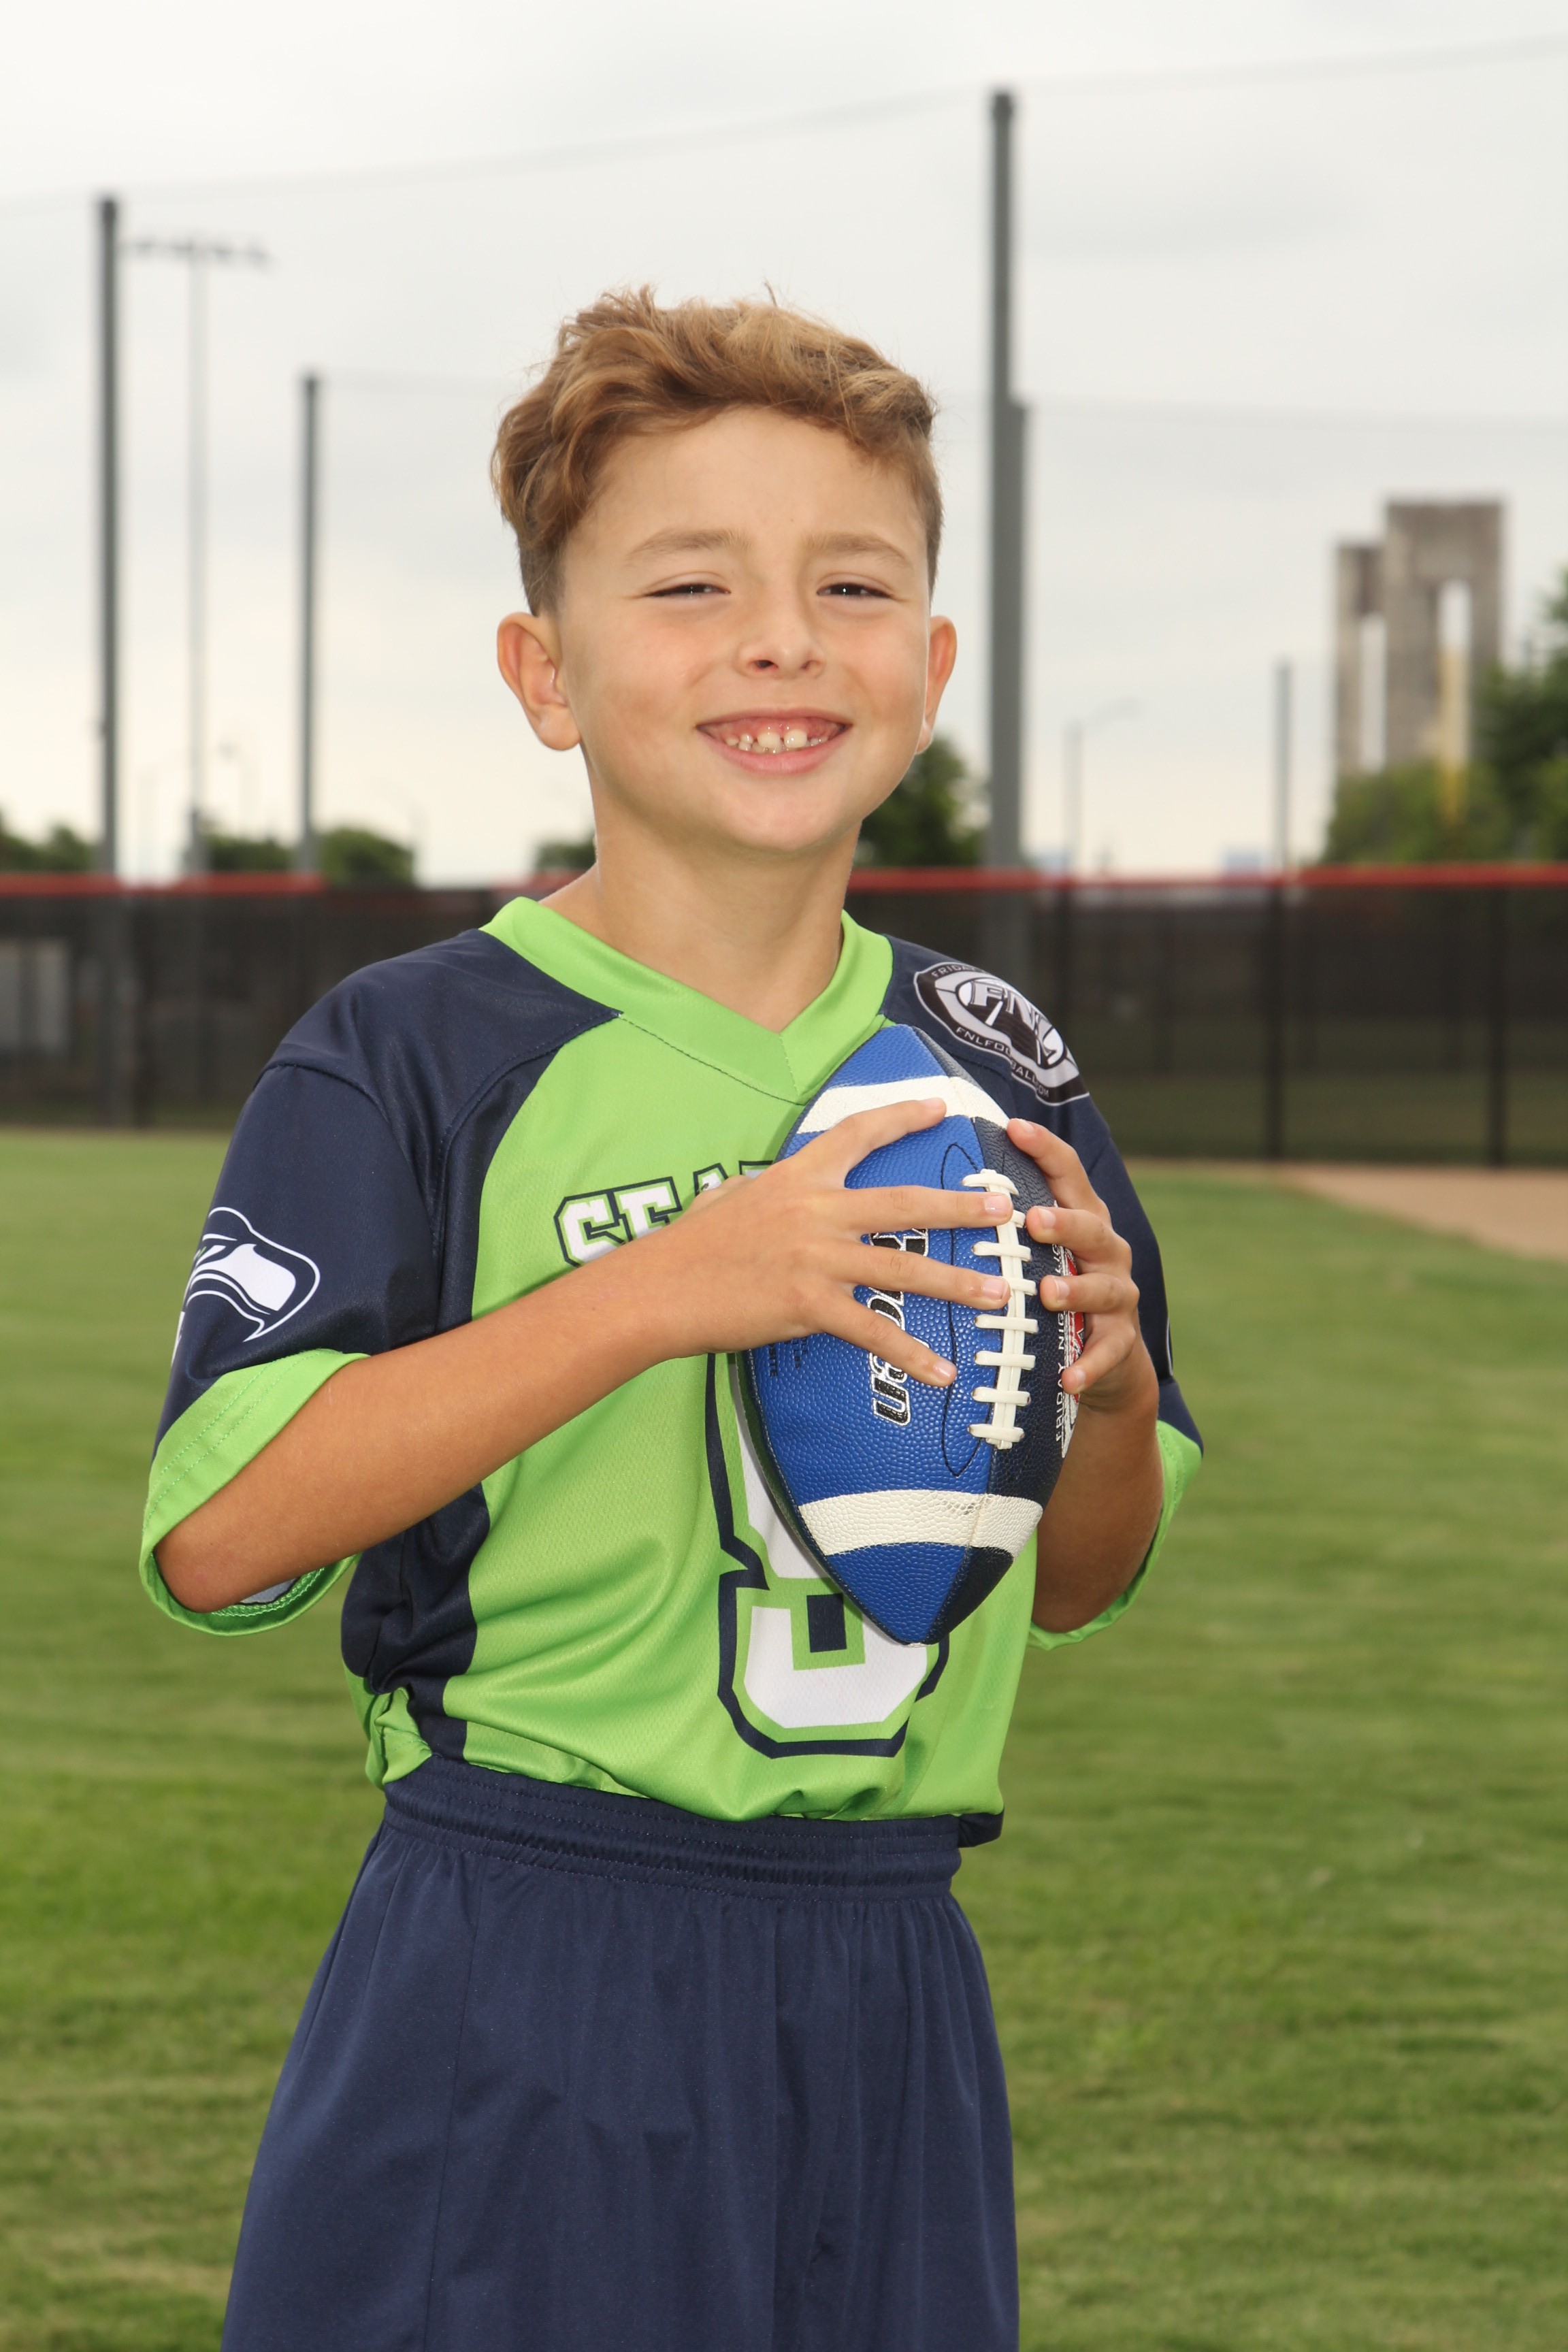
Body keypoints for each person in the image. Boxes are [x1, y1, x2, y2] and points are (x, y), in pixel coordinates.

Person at [141, 289, 1201, 2351]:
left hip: (892, 1972)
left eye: (854, 585)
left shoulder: (999, 1068)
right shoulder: (413, 1053)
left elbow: (1083, 1578)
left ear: (932, 668)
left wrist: (1111, 1388)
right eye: (693, 584)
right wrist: (664, 1291)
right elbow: (222, 1538)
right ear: (547, 671)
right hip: (526, 1950)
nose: (782, 639)